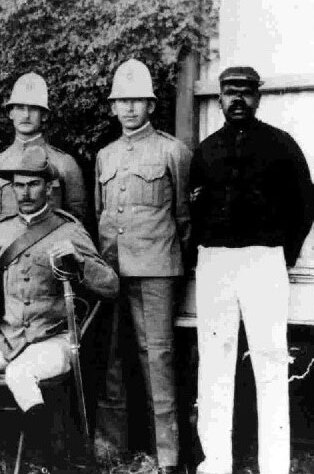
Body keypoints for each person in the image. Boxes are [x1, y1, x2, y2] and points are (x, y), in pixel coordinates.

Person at [0, 146, 118, 470]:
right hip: (8, 337)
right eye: (18, 185)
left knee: (19, 373)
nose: (24, 192)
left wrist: (80, 263)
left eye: (32, 184)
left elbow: (110, 286)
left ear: (49, 187)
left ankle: (45, 460)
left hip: (52, 339)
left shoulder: (68, 229)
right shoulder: (3, 229)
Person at [189, 66, 314, 474]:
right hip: (215, 263)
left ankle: (275, 465)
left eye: (245, 92)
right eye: (229, 92)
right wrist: (201, 255)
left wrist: (285, 253)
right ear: (220, 98)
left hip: (264, 261)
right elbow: (192, 208)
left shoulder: (281, 146)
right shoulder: (205, 150)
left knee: (271, 361)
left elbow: (305, 204)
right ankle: (215, 463)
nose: (237, 99)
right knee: (214, 362)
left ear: (258, 97)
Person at [93, 59, 192, 472]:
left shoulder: (172, 151)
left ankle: (167, 454)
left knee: (159, 359)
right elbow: (100, 212)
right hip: (112, 270)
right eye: (122, 101)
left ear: (151, 106)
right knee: (112, 359)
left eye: (138, 100)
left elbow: (185, 218)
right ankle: (110, 447)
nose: (130, 108)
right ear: (113, 108)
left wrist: (168, 262)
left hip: (156, 269)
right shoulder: (105, 155)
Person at [0, 72, 87, 235]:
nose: (26, 115)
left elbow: (76, 221)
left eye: (33, 109)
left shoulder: (64, 164)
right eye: (20, 108)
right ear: (11, 113)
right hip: (6, 254)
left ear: (44, 115)